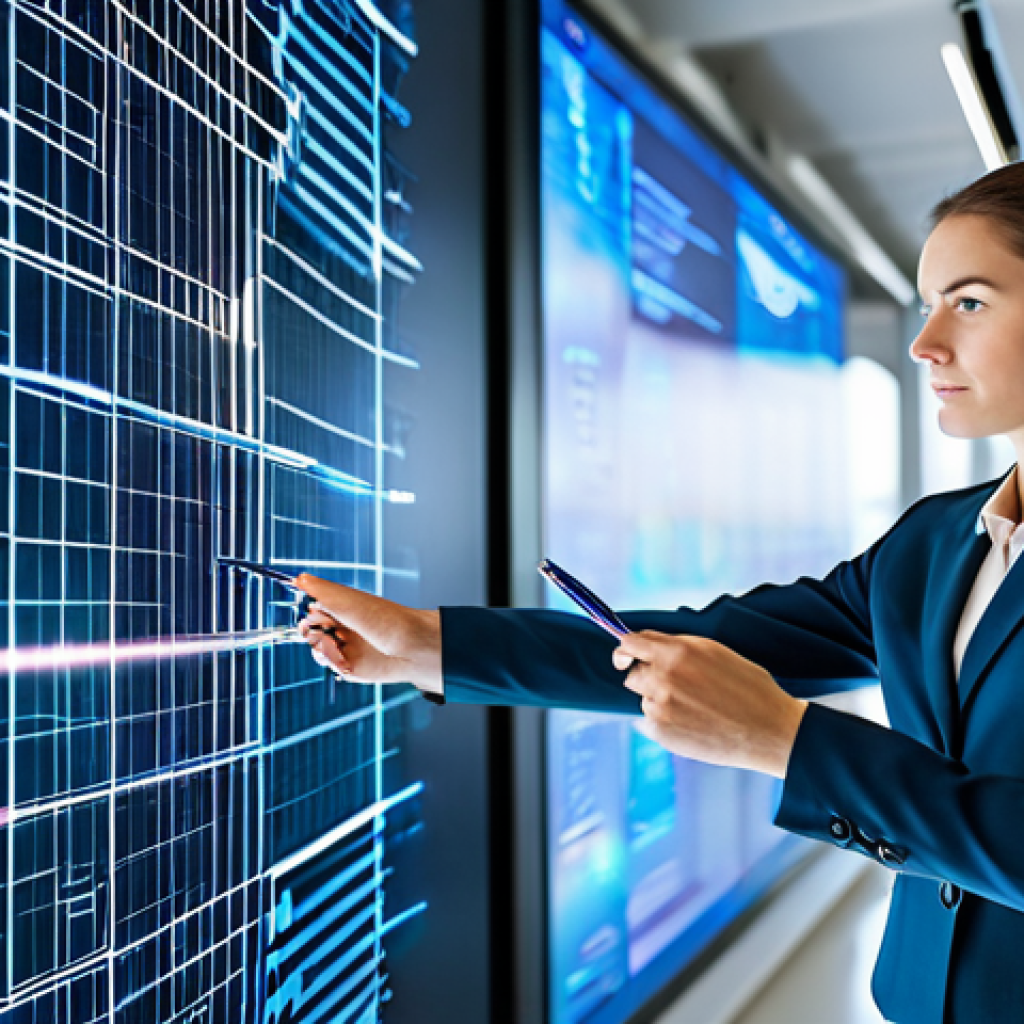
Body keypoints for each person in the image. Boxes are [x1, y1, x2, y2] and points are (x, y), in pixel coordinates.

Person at [296, 162, 1024, 1024]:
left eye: (968, 302)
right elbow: (693, 647)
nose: (924, 342)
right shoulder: (932, 543)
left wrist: (789, 740)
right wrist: (431, 644)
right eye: (928, 302)